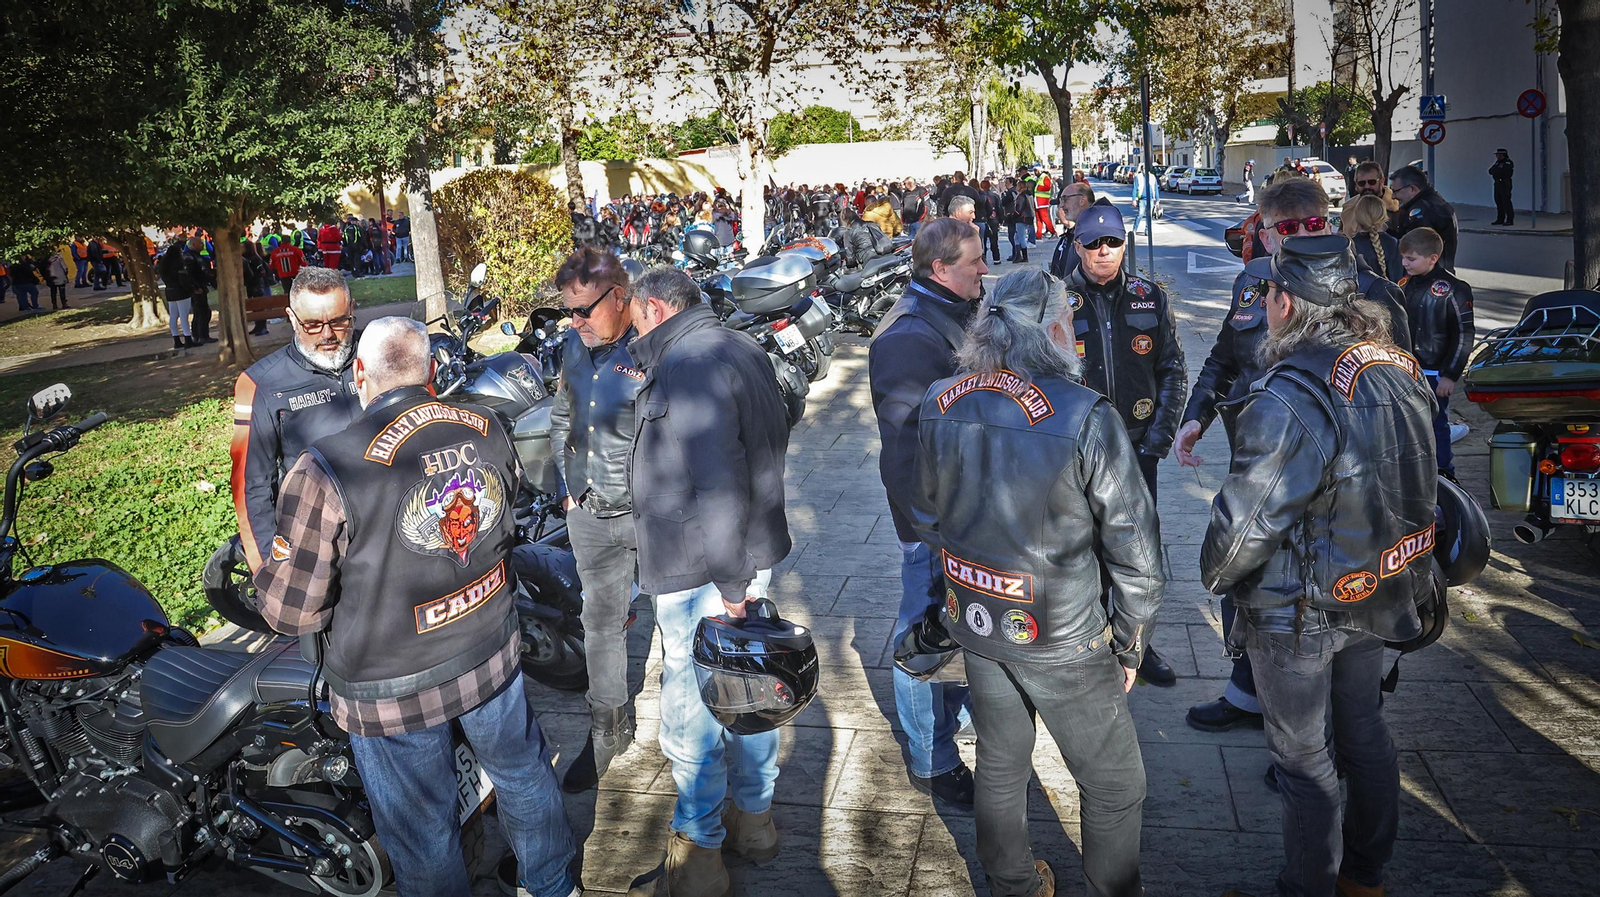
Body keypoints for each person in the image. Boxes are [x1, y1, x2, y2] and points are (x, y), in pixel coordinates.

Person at [254, 317, 579, 897]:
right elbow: (503, 527)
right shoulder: (487, 425)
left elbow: (291, 613)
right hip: (488, 653)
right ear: (431, 369)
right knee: (524, 773)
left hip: (389, 687)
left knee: (422, 829)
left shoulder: (327, 466)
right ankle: (553, 886)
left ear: (359, 373)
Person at [912, 267, 1161, 897]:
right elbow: (1136, 551)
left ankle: (1012, 883)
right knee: (1114, 786)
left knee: (1000, 760)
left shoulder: (942, 398)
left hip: (979, 617)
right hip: (1064, 634)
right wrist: (1130, 643)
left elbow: (927, 513)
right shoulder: (1083, 413)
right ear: (1054, 329)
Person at [1203, 234, 1435, 897]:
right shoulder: (1395, 365)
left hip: (1301, 604)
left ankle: (1308, 885)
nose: (1265, 305)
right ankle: (1364, 874)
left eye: (1269, 293)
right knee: (1363, 729)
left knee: (1303, 758)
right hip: (1374, 586)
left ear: (1285, 302)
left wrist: (1216, 575)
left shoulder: (1288, 391)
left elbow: (1247, 520)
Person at [624, 267, 791, 897]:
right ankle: (756, 821)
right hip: (738, 552)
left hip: (707, 563)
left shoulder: (690, 363)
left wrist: (730, 582)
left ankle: (698, 856)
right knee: (752, 691)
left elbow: (718, 480)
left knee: (695, 706)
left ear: (655, 308)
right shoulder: (737, 343)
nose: (635, 326)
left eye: (637, 316)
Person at [868, 218, 983, 810]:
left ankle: (951, 724)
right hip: (934, 524)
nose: (984, 270)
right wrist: (932, 530)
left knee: (951, 629)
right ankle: (931, 760)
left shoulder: (950, 312)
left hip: (959, 514)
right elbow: (905, 451)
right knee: (920, 636)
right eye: (974, 262)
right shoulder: (910, 335)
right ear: (939, 269)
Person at [1060, 203, 1185, 688]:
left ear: (1124, 245)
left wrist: (1159, 439)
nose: (1103, 252)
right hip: (1077, 453)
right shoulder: (1057, 301)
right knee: (1084, 551)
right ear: (1077, 247)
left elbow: (1172, 368)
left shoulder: (1148, 297)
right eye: (1092, 243)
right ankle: (1089, 647)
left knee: (1135, 553)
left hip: (1136, 451)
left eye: (1112, 242)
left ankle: (1138, 644)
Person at [544, 249, 644, 795]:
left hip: (651, 517)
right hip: (589, 513)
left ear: (621, 296)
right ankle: (608, 731)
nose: (576, 322)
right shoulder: (575, 346)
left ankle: (697, 737)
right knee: (600, 624)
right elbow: (564, 414)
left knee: (683, 628)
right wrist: (567, 487)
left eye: (585, 310)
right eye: (569, 312)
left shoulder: (654, 345)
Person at [230, 265, 363, 573]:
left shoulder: (379, 353)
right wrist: (267, 568)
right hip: (320, 538)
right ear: (291, 318)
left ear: (352, 309)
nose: (328, 334)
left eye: (339, 321)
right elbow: (252, 483)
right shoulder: (261, 383)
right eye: (312, 324)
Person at [1400, 226, 1474, 481]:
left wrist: (1451, 375)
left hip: (1435, 371)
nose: (1404, 263)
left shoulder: (1454, 289)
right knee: (1409, 424)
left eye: (1411, 258)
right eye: (1404, 257)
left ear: (1432, 258)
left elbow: (1464, 334)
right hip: (1406, 368)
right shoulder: (1405, 284)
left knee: (1437, 424)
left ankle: (1444, 474)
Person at [1387, 166, 1459, 271]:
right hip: (1438, 272)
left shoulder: (1424, 211)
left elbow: (1414, 248)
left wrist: (1387, 234)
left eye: (1395, 191)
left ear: (1412, 189)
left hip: (1428, 276)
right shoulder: (1434, 202)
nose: (1393, 196)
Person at [1341, 194, 1403, 283]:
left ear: (1357, 216)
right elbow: (1398, 278)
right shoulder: (1393, 243)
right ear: (1383, 216)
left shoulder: (1350, 246)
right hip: (1390, 295)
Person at [1047, 181, 1099, 280]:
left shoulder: (1094, 234)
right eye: (1060, 200)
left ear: (1082, 200)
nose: (1061, 206)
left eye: (1065, 199)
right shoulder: (1073, 232)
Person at [157, 240, 196, 349]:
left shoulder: (163, 266)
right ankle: (188, 339)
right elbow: (183, 279)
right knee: (184, 316)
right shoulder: (179, 264)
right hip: (181, 292)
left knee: (173, 317)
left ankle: (176, 340)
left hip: (170, 291)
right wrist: (190, 289)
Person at [977, 179, 1003, 263]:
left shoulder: (979, 196)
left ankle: (984, 260)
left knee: (983, 241)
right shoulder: (995, 196)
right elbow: (999, 208)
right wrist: (1001, 219)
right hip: (994, 220)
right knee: (994, 240)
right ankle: (996, 258)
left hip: (983, 219)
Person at [1131, 165, 1159, 235]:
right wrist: (1134, 199)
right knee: (1140, 214)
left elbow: (1156, 188)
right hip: (1142, 199)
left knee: (1149, 216)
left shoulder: (1152, 177)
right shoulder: (1138, 177)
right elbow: (1135, 188)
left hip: (1151, 199)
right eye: (1143, 169)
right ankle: (1134, 229)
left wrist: (1157, 200)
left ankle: (1147, 230)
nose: (1145, 170)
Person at [1490, 148, 1515, 226]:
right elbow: (1490, 171)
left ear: (1502, 155)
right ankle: (1500, 218)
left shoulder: (1508, 162)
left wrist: (1497, 171)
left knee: (1506, 202)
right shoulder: (1497, 163)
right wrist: (1497, 170)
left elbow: (1505, 172)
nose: (1497, 156)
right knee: (1498, 202)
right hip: (1497, 184)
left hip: (1505, 184)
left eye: (1498, 155)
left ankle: (1510, 220)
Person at [1033, 168, 1057, 238]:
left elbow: (1047, 187)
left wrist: (1038, 188)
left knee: (1044, 218)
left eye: (1036, 170)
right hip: (1038, 201)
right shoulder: (1039, 178)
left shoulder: (1044, 177)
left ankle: (1053, 232)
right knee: (1038, 219)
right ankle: (1038, 234)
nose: (1035, 172)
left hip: (1042, 201)